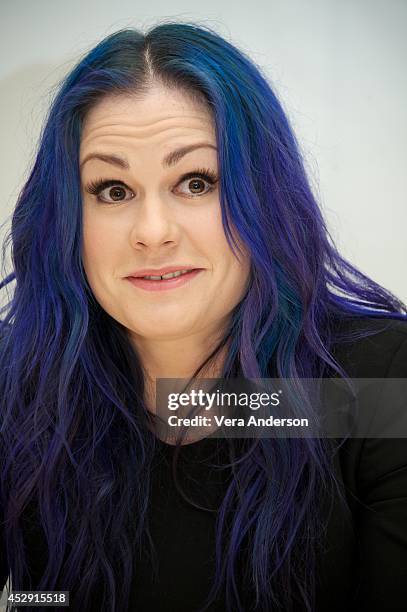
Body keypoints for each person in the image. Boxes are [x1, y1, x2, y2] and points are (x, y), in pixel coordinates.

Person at [0, 21, 406, 612]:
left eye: (196, 181)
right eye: (112, 190)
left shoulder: (377, 386)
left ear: (264, 197)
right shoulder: (20, 392)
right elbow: (41, 600)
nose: (153, 232)